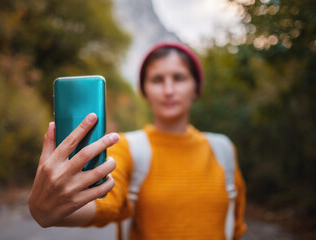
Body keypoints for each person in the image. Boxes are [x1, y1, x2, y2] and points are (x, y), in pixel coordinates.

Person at [28, 42, 247, 239]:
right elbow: (107, 202)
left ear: (196, 88)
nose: (168, 90)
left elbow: (235, 227)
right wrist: (49, 209)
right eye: (157, 80)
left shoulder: (223, 149)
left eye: (179, 78)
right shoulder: (125, 147)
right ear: (144, 90)